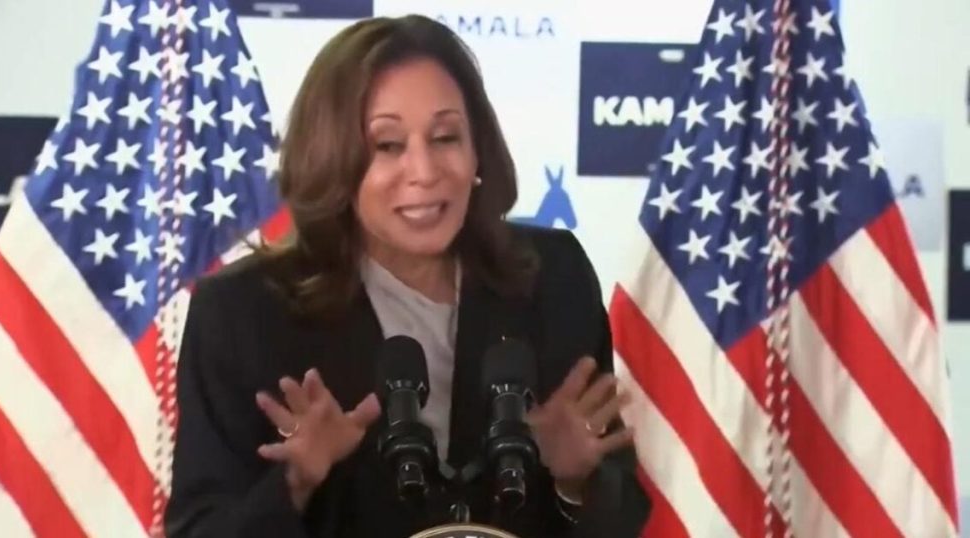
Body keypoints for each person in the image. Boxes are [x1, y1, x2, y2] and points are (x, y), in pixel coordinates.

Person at [164, 14, 651, 538]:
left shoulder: (553, 276)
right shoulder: (241, 312)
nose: (424, 171)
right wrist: (296, 482)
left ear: (478, 150)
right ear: (333, 158)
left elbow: (620, 512)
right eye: (388, 145)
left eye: (445, 137)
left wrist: (578, 482)